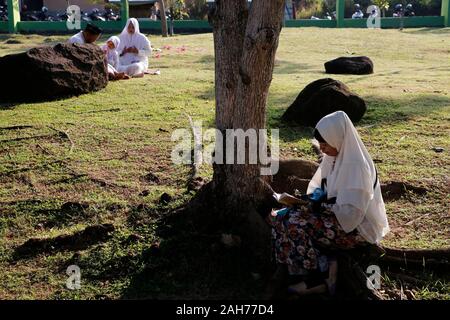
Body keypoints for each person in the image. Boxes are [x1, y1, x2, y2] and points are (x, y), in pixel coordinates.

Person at [268, 111, 390, 296]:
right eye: (320, 144)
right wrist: (305, 201)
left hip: (357, 229)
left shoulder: (356, 166)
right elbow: (320, 187)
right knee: (279, 217)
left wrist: (317, 207)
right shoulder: (333, 158)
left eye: (325, 144)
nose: (322, 148)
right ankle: (301, 273)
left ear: (338, 138)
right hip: (334, 216)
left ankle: (318, 279)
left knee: (295, 224)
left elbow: (351, 214)